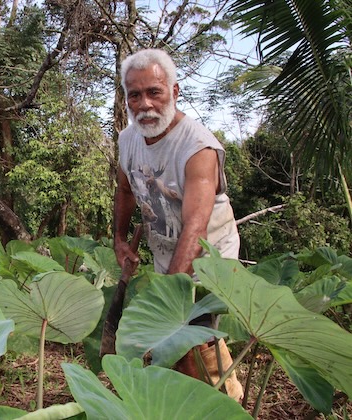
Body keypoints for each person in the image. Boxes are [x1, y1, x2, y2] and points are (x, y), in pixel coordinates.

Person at [113, 48, 243, 401]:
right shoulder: (128, 141)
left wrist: (166, 299)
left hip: (208, 260)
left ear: (174, 91)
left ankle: (227, 406)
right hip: (166, 255)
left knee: (191, 340)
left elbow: (196, 228)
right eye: (134, 95)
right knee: (177, 350)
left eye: (154, 92)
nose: (144, 104)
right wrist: (119, 238)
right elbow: (125, 188)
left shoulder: (197, 146)